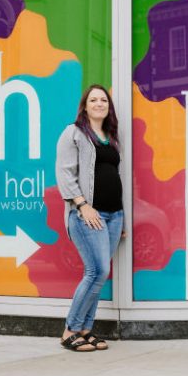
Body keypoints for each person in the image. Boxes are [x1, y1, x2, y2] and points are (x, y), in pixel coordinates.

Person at [55, 84, 123, 352]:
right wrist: (83, 206)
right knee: (97, 271)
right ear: (84, 106)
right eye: (93, 100)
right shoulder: (73, 133)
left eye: (103, 100)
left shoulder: (110, 136)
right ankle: (69, 329)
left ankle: (85, 329)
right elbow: (64, 173)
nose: (99, 104)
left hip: (114, 215)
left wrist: (122, 219)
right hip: (87, 214)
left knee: (97, 274)